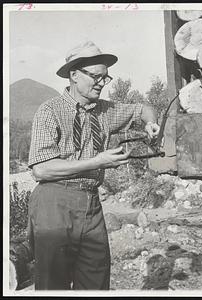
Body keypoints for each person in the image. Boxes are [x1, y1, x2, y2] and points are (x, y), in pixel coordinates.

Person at [27, 41, 160, 290]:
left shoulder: (105, 111)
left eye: (105, 77)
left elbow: (143, 109)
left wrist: (150, 123)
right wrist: (97, 162)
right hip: (53, 203)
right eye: (95, 76)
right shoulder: (50, 111)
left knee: (96, 282)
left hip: (91, 204)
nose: (101, 82)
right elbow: (41, 169)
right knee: (52, 285)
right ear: (74, 75)